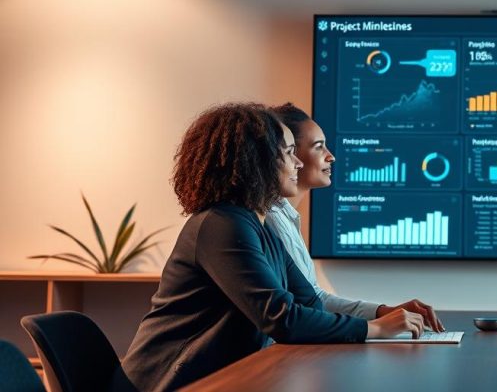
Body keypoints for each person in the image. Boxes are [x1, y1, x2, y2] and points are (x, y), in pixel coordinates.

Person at [113, 103, 424, 392]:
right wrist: (374, 329)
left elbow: (308, 305)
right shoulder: (221, 224)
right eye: (289, 153)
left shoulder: (256, 225)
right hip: (167, 382)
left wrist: (374, 322)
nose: (298, 162)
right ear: (256, 162)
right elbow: (280, 318)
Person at [266, 102, 444, 332]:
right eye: (318, 147)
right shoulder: (270, 220)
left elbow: (313, 298)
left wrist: (382, 312)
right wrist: (376, 327)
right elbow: (300, 309)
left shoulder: (286, 218)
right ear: (288, 153)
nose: (331, 157)